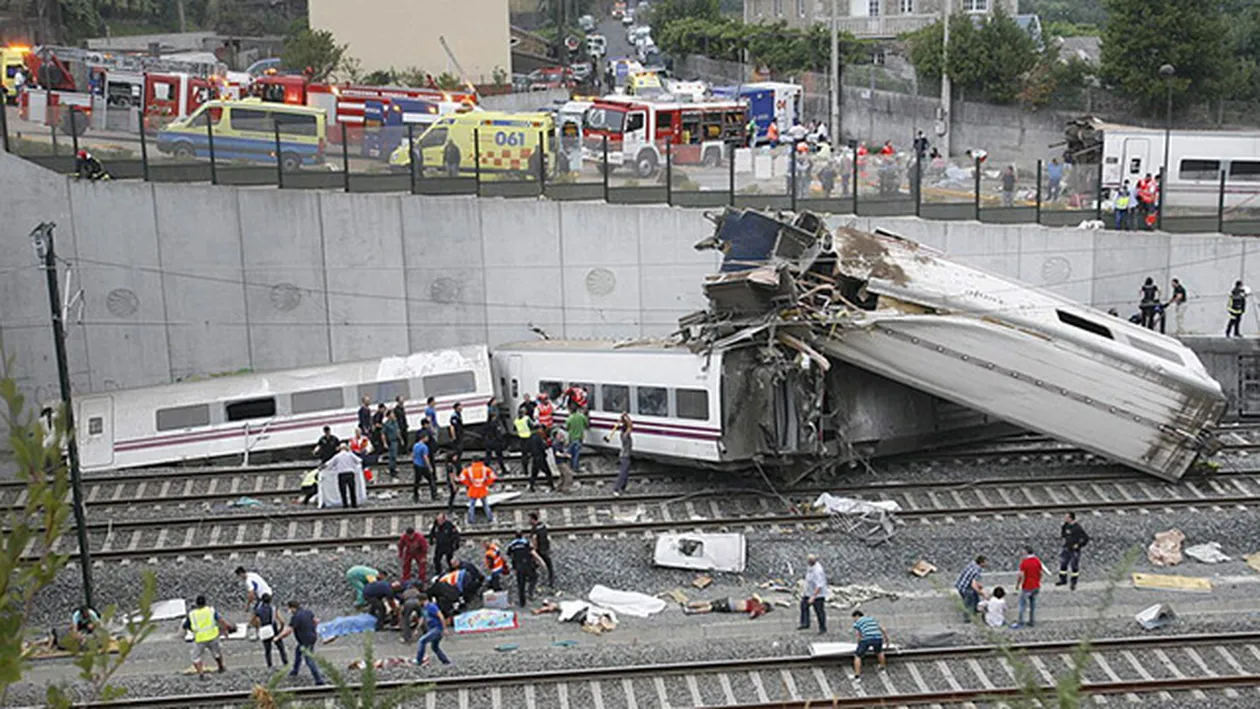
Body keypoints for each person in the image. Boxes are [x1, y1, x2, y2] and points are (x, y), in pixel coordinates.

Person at [276, 600, 325, 685]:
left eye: (289, 609)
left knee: (309, 660)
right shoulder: (308, 612)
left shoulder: (295, 617)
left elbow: (288, 631)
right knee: (298, 651)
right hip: (312, 637)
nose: (289, 611)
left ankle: (319, 680)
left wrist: (278, 637)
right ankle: (295, 670)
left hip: (305, 640)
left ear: (293, 608)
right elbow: (316, 621)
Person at [183, 595, 230, 677]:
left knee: (196, 657)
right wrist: (226, 629)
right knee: (217, 653)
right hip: (213, 636)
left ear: (196, 604)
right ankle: (221, 667)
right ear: (205, 603)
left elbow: (186, 625)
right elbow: (220, 620)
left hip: (199, 639)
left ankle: (201, 673)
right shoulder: (211, 611)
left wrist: (192, 630)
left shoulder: (192, 614)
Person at [252, 593, 289, 669]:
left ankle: (269, 665)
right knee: (280, 647)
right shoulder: (273, 609)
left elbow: (254, 621)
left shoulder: (258, 610)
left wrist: (258, 628)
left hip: (264, 628)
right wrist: (281, 629)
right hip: (273, 627)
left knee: (267, 649)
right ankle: (285, 662)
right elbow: (281, 621)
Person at [414, 595, 452, 667]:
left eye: (418, 601)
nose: (417, 603)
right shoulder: (424, 608)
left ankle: (419, 660)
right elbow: (422, 618)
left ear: (422, 600)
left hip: (437, 628)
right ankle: (446, 661)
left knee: (422, 641)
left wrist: (444, 628)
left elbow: (441, 616)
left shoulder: (431, 606)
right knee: (434, 647)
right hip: (432, 629)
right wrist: (417, 628)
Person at [322, 443, 363, 509]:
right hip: (350, 473)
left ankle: (345, 504)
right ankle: (354, 504)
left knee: (343, 491)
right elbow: (359, 460)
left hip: (342, 474)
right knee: (352, 489)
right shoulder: (350, 455)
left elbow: (329, 463)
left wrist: (322, 467)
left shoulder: (337, 456)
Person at [1011, 545, 1043, 629]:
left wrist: (1017, 585)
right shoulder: (1037, 561)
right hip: (1036, 586)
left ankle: (1021, 622)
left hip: (1027, 586)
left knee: (1022, 605)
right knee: (1032, 605)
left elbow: (1021, 575)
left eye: (1023, 552)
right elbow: (1040, 573)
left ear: (1026, 552)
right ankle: (1032, 621)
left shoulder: (1024, 562)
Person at [506, 530, 540, 607]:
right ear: (522, 535)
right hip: (527, 565)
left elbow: (508, 554)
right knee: (534, 577)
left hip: (518, 566)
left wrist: (515, 558)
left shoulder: (512, 544)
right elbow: (532, 551)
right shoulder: (526, 542)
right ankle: (530, 592)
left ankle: (522, 603)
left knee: (521, 584)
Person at [850, 610, 887, 680]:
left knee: (857, 656)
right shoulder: (872, 619)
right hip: (878, 637)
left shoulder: (857, 622)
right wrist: (887, 640)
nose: (854, 620)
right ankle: (883, 669)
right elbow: (883, 629)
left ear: (857, 616)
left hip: (866, 638)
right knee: (879, 652)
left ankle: (857, 676)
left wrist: (859, 644)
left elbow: (859, 634)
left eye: (854, 618)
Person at [797, 554, 829, 634]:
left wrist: (813, 597)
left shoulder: (818, 571)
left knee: (819, 611)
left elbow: (819, 585)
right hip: (809, 592)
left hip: (818, 595)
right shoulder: (810, 567)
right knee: (803, 605)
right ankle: (805, 623)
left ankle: (822, 628)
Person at [458, 457, 497, 524]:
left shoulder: (468, 469)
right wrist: (487, 483)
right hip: (482, 489)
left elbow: (461, 478)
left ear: (473, 461)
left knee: (472, 505)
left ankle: (471, 520)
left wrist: (468, 483)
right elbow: (493, 477)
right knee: (485, 504)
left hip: (473, 489)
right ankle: (490, 518)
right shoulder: (485, 469)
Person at [1057, 512, 1089, 590]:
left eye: (1066, 517)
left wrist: (1078, 545)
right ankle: (1063, 580)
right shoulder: (1066, 525)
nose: (1065, 518)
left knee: (1074, 567)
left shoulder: (1077, 528)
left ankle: (1073, 583)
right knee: (1063, 564)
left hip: (1074, 550)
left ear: (1071, 518)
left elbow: (1086, 538)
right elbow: (1063, 534)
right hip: (1066, 548)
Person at [607, 412, 634, 495]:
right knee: (623, 473)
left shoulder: (622, 434)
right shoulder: (625, 435)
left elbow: (627, 425)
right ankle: (616, 489)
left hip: (625, 456)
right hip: (625, 456)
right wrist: (627, 416)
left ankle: (623, 488)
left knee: (625, 473)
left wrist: (623, 418)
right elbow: (630, 426)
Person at [954, 555, 987, 622]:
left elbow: (972, 579)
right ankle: (968, 619)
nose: (987, 564)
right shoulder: (977, 570)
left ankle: (975, 611)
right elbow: (973, 585)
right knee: (969, 602)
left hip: (960, 585)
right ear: (981, 563)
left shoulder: (972, 564)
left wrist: (979, 586)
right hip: (966, 588)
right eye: (985, 562)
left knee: (974, 598)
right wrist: (982, 593)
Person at [429, 512, 461, 577]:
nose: (439, 522)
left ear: (444, 519)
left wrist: (456, 543)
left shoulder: (449, 525)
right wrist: (431, 540)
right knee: (436, 559)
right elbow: (432, 533)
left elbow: (456, 535)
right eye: (438, 520)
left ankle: (453, 571)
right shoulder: (436, 525)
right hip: (439, 545)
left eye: (440, 520)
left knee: (449, 559)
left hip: (448, 545)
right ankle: (438, 572)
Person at [529, 511, 555, 588]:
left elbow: (534, 539)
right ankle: (551, 583)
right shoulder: (543, 525)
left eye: (530, 519)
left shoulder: (534, 528)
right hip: (546, 549)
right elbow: (547, 537)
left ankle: (535, 582)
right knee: (550, 566)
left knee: (534, 565)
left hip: (539, 550)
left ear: (533, 519)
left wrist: (534, 550)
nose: (529, 521)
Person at [683, 596, 770, 618]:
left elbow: (753, 595)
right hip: (730, 606)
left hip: (730, 601)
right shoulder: (756, 608)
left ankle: (689, 604)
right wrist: (758, 613)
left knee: (710, 603)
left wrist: (759, 600)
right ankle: (690, 610)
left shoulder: (755, 602)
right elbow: (751, 615)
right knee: (711, 607)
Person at [527, 423, 554, 492]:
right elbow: (543, 447)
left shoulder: (531, 437)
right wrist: (547, 444)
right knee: (548, 472)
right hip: (540, 457)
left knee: (534, 473)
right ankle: (552, 486)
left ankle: (531, 487)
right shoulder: (538, 438)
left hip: (535, 457)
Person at [411, 432, 435, 501]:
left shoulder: (415, 445)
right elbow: (425, 457)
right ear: (423, 438)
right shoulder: (424, 447)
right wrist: (429, 467)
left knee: (417, 481)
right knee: (431, 480)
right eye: (427, 437)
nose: (427, 439)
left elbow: (413, 455)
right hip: (423, 466)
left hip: (416, 465)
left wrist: (414, 461)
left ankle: (415, 496)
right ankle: (433, 495)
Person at [485, 407, 508, 474]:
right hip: (495, 442)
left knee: (488, 457)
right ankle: (503, 469)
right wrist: (502, 441)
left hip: (488, 442)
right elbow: (498, 434)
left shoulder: (487, 424)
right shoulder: (495, 424)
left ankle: (485, 468)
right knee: (499, 456)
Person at [566, 405, 588, 473]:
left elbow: (567, 428)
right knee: (577, 454)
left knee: (571, 454)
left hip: (572, 438)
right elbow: (586, 425)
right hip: (579, 438)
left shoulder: (569, 418)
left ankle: (571, 467)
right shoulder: (582, 417)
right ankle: (576, 468)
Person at [514, 406, 534, 478]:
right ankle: (534, 469)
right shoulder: (526, 419)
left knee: (524, 455)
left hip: (521, 439)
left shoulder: (516, 421)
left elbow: (515, 429)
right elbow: (532, 425)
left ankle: (525, 470)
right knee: (533, 454)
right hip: (529, 438)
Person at [383, 410, 402, 478]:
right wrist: (384, 443)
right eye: (392, 414)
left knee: (394, 455)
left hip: (395, 440)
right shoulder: (386, 424)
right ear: (388, 416)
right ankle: (390, 468)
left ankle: (393, 467)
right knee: (392, 455)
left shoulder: (395, 422)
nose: (393, 415)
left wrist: (401, 439)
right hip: (390, 441)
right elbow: (383, 434)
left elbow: (398, 431)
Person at [447, 401, 465, 473]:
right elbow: (452, 427)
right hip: (457, 437)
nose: (461, 408)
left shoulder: (458, 414)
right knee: (457, 452)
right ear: (456, 408)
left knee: (459, 452)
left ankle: (459, 468)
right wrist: (454, 436)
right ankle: (458, 469)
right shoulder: (454, 416)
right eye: (460, 406)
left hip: (460, 435)